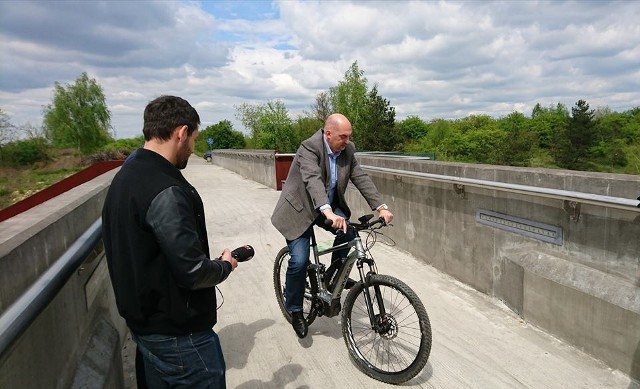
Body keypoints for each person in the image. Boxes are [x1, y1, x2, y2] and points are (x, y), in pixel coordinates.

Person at [102, 95, 238, 388]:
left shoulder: (128, 173)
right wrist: (224, 266)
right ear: (181, 132)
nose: (193, 147)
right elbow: (192, 272)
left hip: (146, 329)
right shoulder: (166, 190)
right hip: (180, 337)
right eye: (193, 139)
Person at [271, 113, 393, 338]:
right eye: (343, 137)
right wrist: (327, 211)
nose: (347, 141)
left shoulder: (347, 150)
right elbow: (312, 180)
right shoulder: (309, 148)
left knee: (349, 233)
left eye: (349, 137)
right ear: (328, 134)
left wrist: (381, 207)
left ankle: (335, 275)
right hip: (299, 210)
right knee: (299, 260)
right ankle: (296, 309)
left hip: (326, 208)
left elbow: (361, 177)